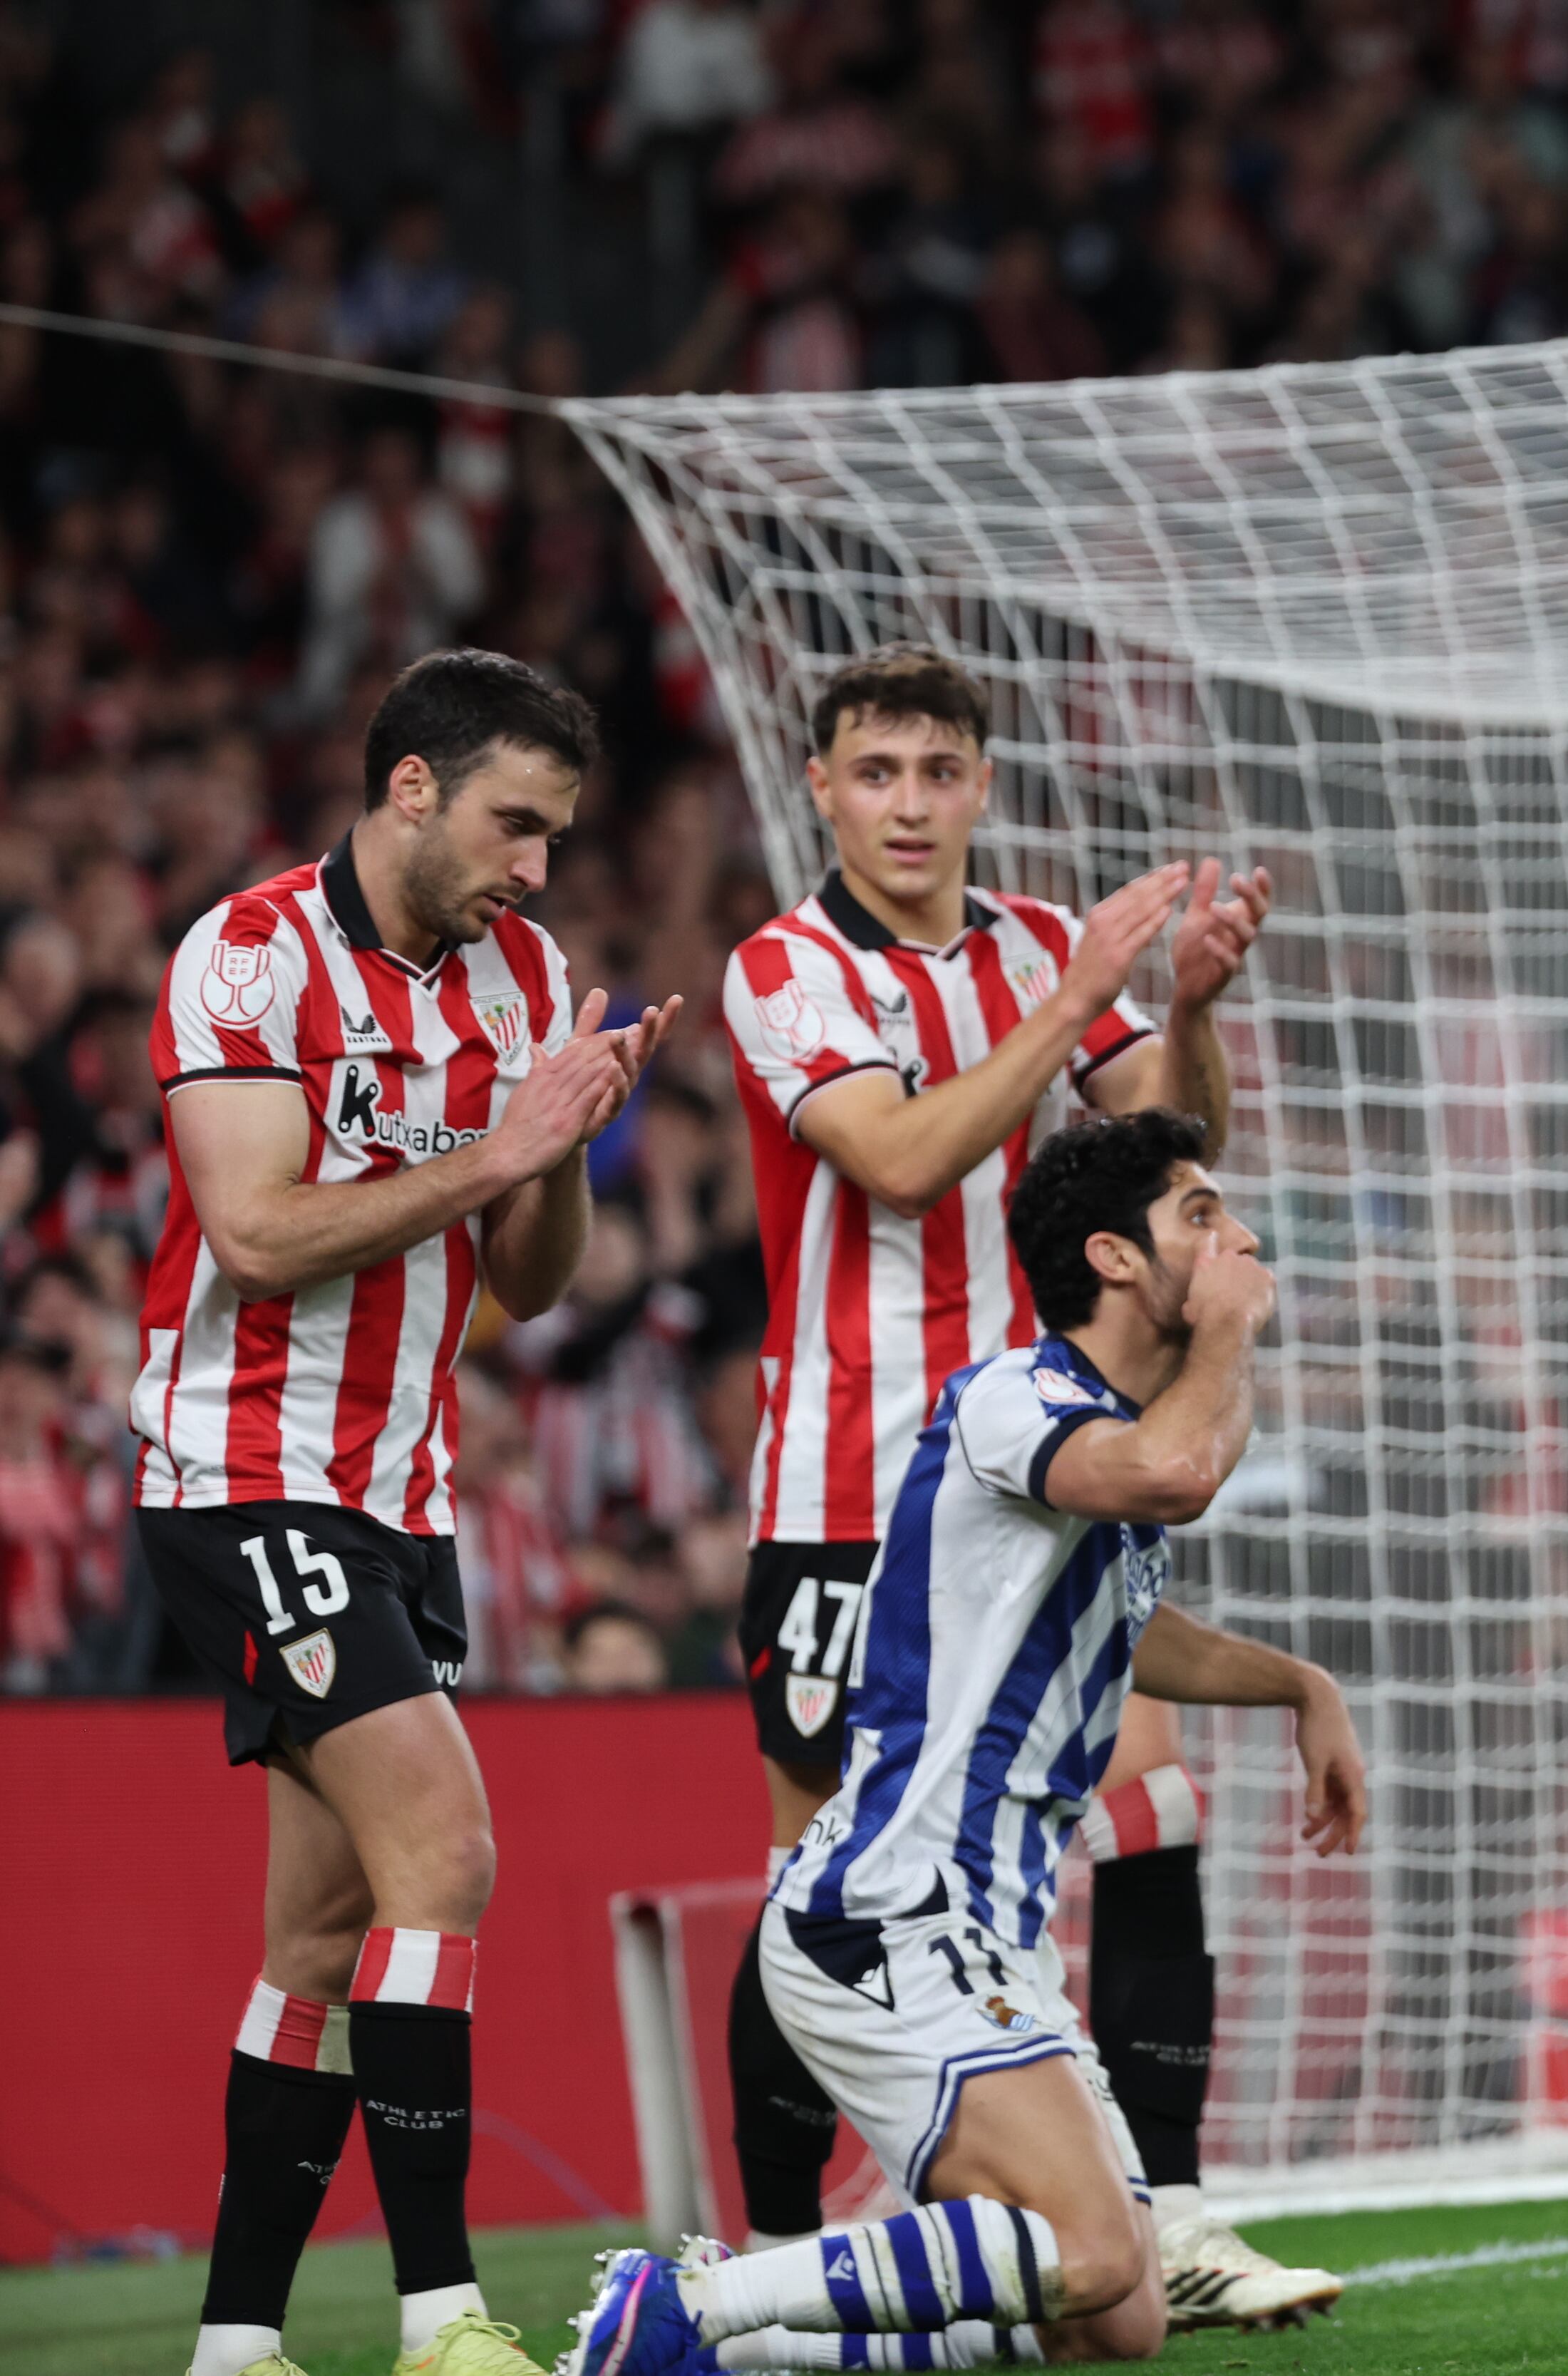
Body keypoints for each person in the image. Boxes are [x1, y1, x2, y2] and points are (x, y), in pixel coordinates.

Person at [713, 643, 1329, 2326]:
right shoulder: (787, 967)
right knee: (821, 1882)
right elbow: (901, 1160)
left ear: (980, 785)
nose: (910, 803)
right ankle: (751, 2248)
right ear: (828, 789)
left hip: (1045, 1464)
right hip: (848, 1495)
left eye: (938, 770)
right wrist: (1074, 1005)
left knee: (1156, 1804)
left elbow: (1162, 1148)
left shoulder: (1049, 944)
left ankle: (1177, 2216)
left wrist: (1183, 1001)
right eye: (876, 772)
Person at [562, 1109, 1369, 2373]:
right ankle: (685, 2308)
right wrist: (1231, 1327)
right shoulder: (1017, 1397)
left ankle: (743, 2358)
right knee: (1096, 2248)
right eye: (1200, 1216)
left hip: (984, 1922)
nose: (1238, 1238)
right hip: (892, 1904)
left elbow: (1133, 1621)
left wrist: (1296, 1683)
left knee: (1118, 2318)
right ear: (1112, 1256)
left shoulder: (1103, 1435)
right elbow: (1177, 1471)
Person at [133, 649, 683, 2376]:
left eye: (559, 836)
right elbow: (258, 1234)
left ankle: (235, 2341)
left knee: (319, 1929)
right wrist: (498, 1148)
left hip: (398, 1489)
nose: (537, 867)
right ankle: (444, 2319)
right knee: (447, 1850)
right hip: (238, 1470)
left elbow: (521, 1284)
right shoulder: (246, 952)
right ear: (414, 788)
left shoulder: (526, 974)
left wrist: (568, 1132)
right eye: (517, 824)